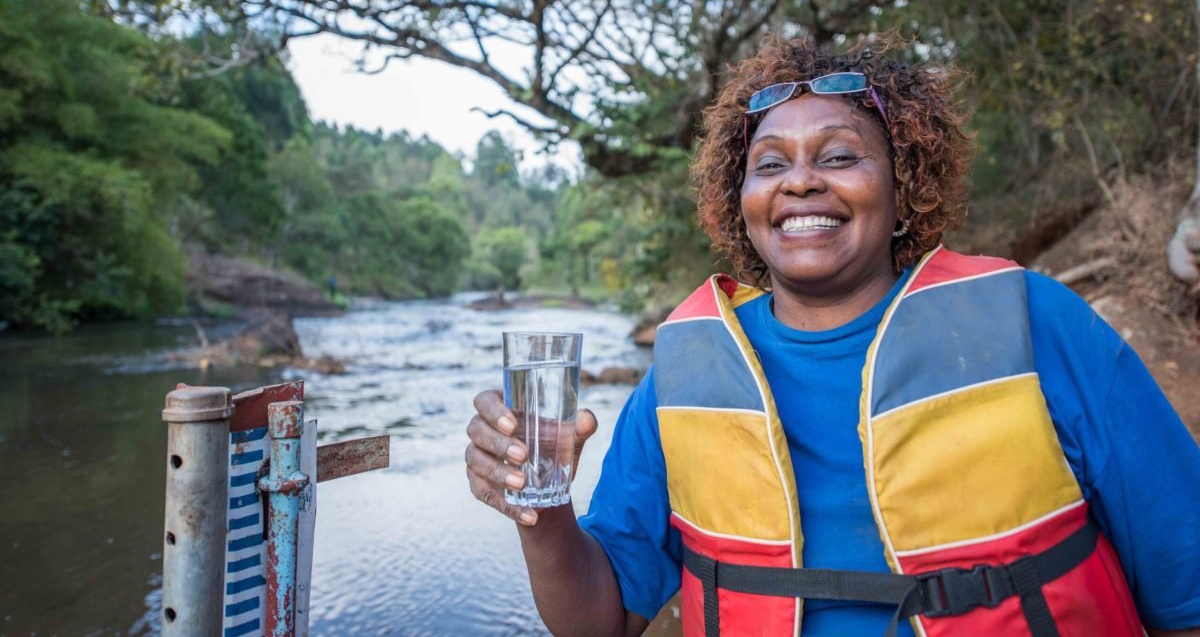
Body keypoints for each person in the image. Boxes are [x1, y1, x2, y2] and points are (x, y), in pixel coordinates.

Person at [465, 35, 1200, 637]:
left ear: (904, 183)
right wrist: (541, 509)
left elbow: (1187, 591)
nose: (801, 182)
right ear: (741, 200)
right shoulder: (684, 371)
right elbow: (598, 622)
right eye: (770, 164)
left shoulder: (1033, 323)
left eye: (840, 155)